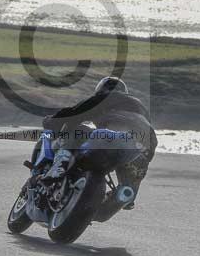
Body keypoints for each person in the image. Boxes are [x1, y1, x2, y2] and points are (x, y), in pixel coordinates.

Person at [41, 76, 157, 218]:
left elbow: (74, 112)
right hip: (143, 148)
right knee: (126, 191)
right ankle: (121, 198)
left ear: (101, 89)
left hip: (115, 134)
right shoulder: (140, 106)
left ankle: (59, 167)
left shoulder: (106, 97)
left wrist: (51, 121)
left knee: (77, 130)